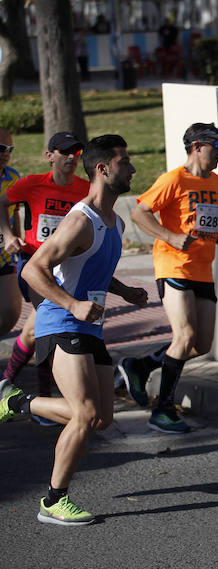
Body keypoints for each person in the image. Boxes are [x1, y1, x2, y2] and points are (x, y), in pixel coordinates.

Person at [0, 134, 148, 525]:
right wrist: (73, 304)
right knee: (84, 413)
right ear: (103, 169)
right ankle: (54, 499)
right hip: (60, 321)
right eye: (124, 162)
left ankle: (16, 402)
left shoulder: (111, 221)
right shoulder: (81, 219)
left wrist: (125, 290)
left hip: (89, 326)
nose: (132, 168)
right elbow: (34, 269)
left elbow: (89, 266)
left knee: (101, 419)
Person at [118, 123, 218, 434]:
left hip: (203, 269)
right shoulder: (173, 179)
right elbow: (139, 213)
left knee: (200, 345)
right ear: (197, 146)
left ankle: (140, 365)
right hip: (174, 266)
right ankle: (163, 409)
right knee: (183, 337)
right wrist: (168, 236)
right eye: (217, 146)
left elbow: (200, 224)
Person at [0, 132, 90, 424]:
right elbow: (2, 203)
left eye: (76, 153)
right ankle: (42, 397)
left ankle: (8, 384)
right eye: (64, 152)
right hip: (35, 267)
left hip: (66, 270)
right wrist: (8, 234)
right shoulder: (31, 184)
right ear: (49, 155)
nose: (71, 158)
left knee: (36, 330)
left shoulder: (84, 189)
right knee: (45, 326)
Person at [0, 128, 22, 335]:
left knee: (10, 311)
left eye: (10, 149)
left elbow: (15, 211)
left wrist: (18, 237)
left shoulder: (13, 177)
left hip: (4, 253)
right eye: (1, 148)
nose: (6, 153)